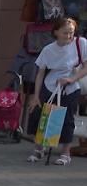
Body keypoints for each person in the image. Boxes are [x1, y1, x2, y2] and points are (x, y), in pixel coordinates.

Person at [26, 17, 85, 166]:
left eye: (71, 33)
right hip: (50, 85)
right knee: (40, 114)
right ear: (56, 32)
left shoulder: (81, 43)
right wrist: (36, 96)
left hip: (71, 87)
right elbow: (40, 72)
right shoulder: (48, 49)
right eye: (65, 33)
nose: (69, 36)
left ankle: (66, 153)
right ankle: (39, 148)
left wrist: (72, 79)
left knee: (66, 119)